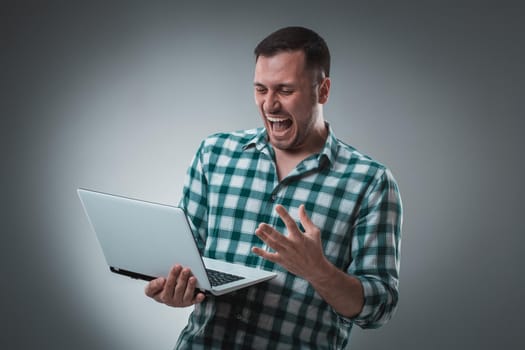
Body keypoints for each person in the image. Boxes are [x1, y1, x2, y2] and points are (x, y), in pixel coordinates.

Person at [145, 26, 402, 349]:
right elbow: (184, 260)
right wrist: (174, 288)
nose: (270, 105)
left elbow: (379, 308)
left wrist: (319, 271)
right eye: (261, 89)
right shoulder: (214, 153)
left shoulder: (370, 182)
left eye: (284, 90)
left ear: (323, 91)